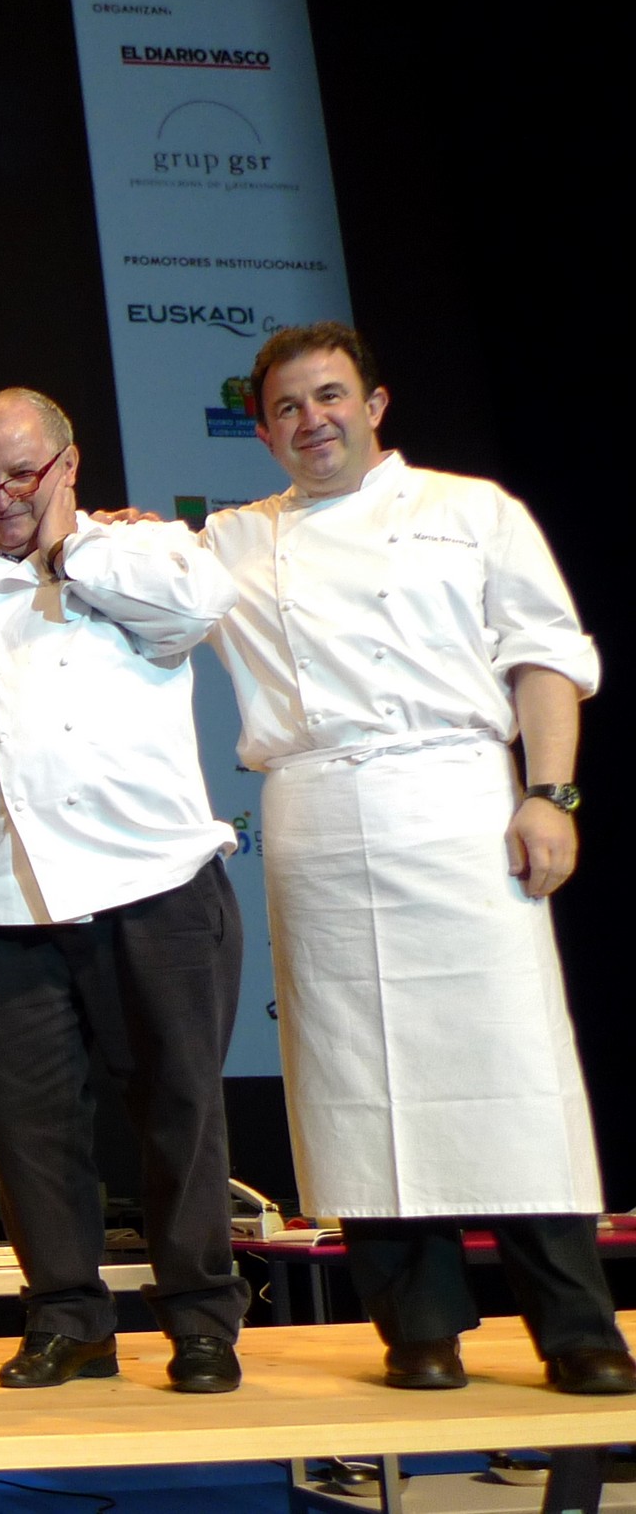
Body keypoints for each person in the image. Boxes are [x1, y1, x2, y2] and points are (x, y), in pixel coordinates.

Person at [199, 321, 632, 1395]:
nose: (313, 421)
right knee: (357, 1081)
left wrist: (550, 795)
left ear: (375, 404)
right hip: (316, 814)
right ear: (263, 433)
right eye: (288, 408)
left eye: (330, 396)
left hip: (459, 803)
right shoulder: (232, 540)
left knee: (513, 1069)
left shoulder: (472, 509)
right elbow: (134, 586)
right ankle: (418, 1331)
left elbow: (545, 654)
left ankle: (577, 1330)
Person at [0, 388, 249, 1393]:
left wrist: (74, 549)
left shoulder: (142, 552)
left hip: (154, 884)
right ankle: (67, 1319)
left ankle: (201, 1322)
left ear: (68, 464)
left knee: (179, 1110)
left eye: (22, 474)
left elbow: (199, 606)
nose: (2, 496)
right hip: (0, 906)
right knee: (31, 1130)